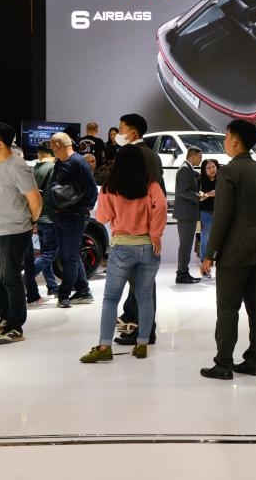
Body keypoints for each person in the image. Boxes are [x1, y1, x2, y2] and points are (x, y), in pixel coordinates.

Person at [200, 120, 256, 380]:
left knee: (228, 308)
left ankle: (223, 363)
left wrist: (209, 254)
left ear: (234, 139)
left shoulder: (229, 172)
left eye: (225, 136)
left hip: (234, 251)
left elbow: (221, 218)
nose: (224, 141)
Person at [80, 144, 167, 363]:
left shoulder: (110, 186)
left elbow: (102, 217)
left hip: (122, 248)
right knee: (145, 297)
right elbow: (162, 206)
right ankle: (142, 344)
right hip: (148, 247)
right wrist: (155, 234)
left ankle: (104, 347)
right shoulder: (151, 184)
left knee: (111, 299)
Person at [0, 122, 42, 345]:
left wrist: (29, 222)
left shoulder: (18, 166)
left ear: (0, 142)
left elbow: (35, 200)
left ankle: (15, 327)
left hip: (13, 231)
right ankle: (6, 317)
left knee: (10, 278)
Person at [113, 113, 164, 345]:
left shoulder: (131, 155)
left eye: (121, 129)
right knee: (143, 284)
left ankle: (145, 331)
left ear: (133, 132)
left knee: (142, 285)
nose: (118, 133)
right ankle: (141, 326)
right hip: (144, 230)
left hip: (135, 232)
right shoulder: (151, 154)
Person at [48, 132, 99, 309]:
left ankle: (64, 294)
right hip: (61, 214)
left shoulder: (78, 162)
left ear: (57, 146)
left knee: (69, 256)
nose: (52, 151)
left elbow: (92, 188)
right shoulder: (60, 163)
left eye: (51, 147)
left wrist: (86, 207)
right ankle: (84, 291)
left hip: (75, 216)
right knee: (70, 255)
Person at [31, 141, 60, 300]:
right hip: (50, 217)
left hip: (38, 217)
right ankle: (26, 279)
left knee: (45, 253)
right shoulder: (53, 168)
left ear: (39, 153)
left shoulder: (33, 169)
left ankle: (52, 287)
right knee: (50, 254)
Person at [174, 146, 203, 284]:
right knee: (185, 246)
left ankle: (183, 272)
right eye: (200, 157)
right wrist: (200, 196)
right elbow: (185, 191)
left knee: (186, 245)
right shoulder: (185, 169)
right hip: (186, 214)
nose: (201, 159)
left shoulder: (187, 168)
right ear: (193, 156)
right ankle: (182, 274)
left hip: (187, 214)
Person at [199, 159, 220, 278]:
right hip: (205, 214)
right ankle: (205, 269)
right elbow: (198, 197)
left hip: (220, 214)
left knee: (220, 242)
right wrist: (209, 194)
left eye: (213, 167)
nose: (212, 169)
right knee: (205, 241)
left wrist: (217, 192)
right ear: (204, 170)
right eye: (209, 168)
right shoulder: (200, 181)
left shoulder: (222, 180)